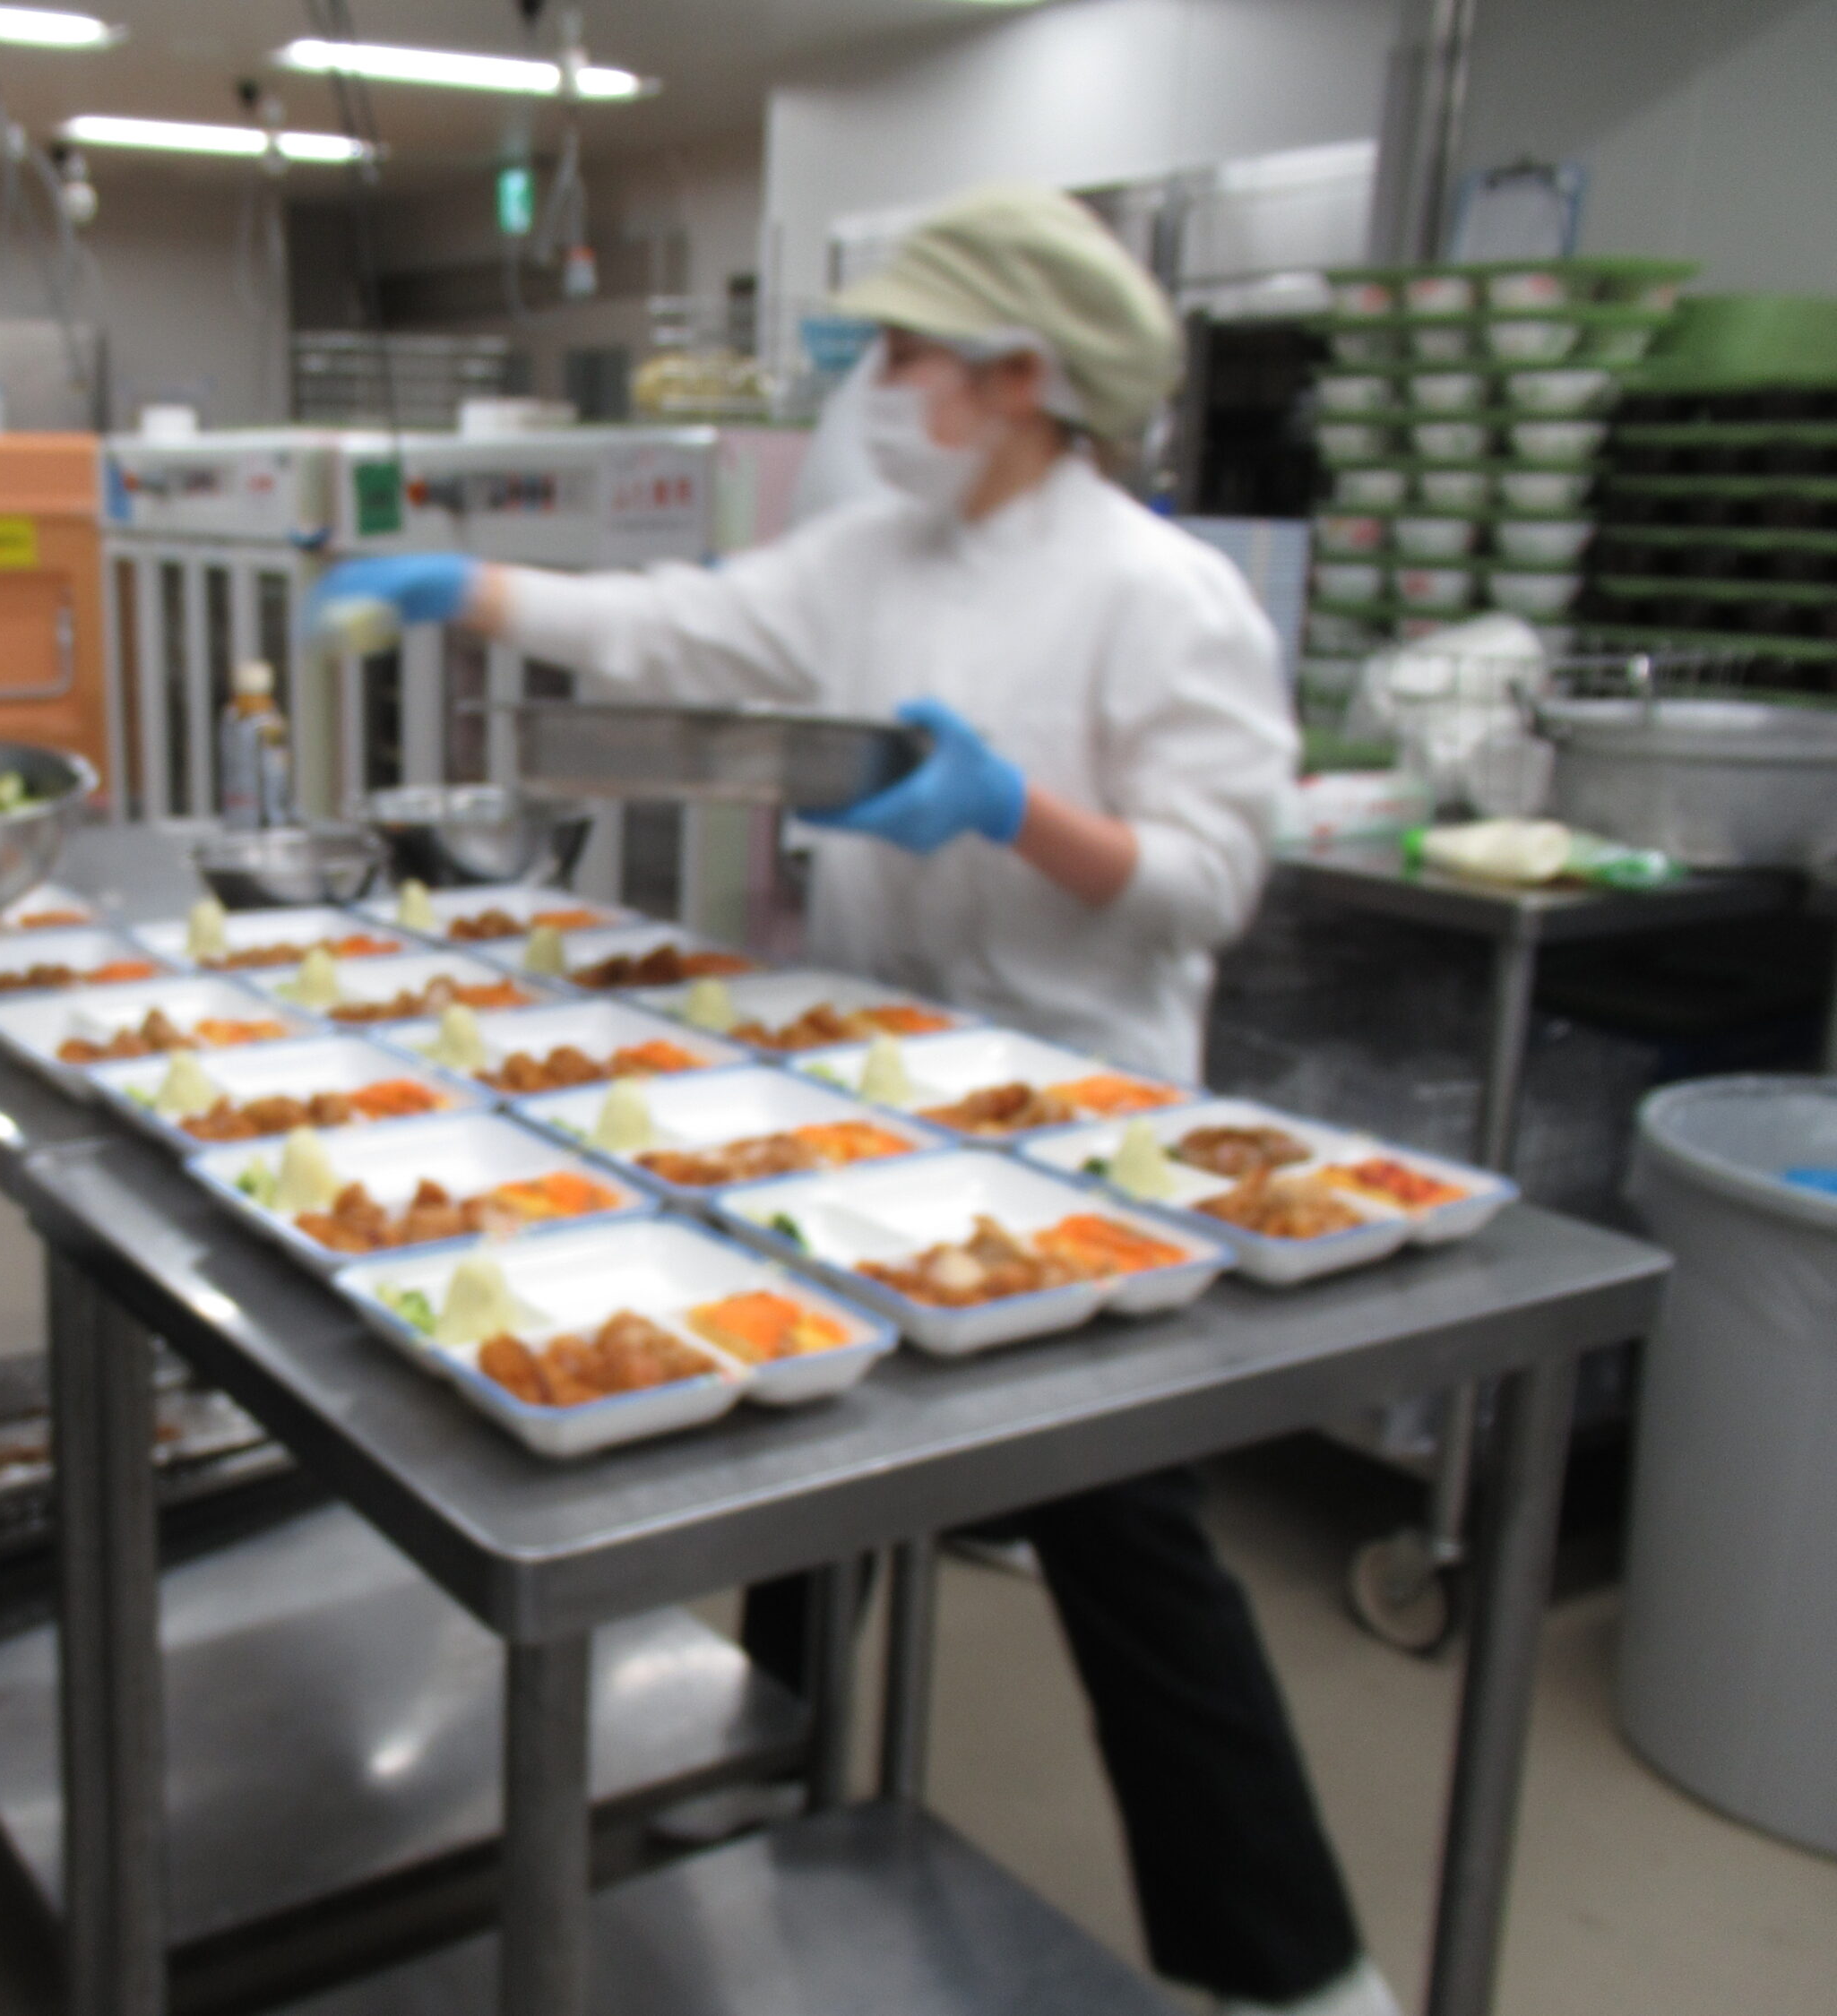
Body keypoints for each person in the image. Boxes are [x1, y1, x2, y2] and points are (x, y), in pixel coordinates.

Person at [307, 185, 1398, 2016]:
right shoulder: (877, 557)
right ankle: (770, 1762)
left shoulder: (1163, 595)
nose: (879, 386)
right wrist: (464, 586)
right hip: (857, 1092)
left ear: (1020, 375)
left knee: (1125, 1534)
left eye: (906, 352)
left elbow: (1209, 883)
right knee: (807, 1449)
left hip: (1076, 1137)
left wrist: (1009, 808)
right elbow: (681, 625)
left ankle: (1295, 1965)